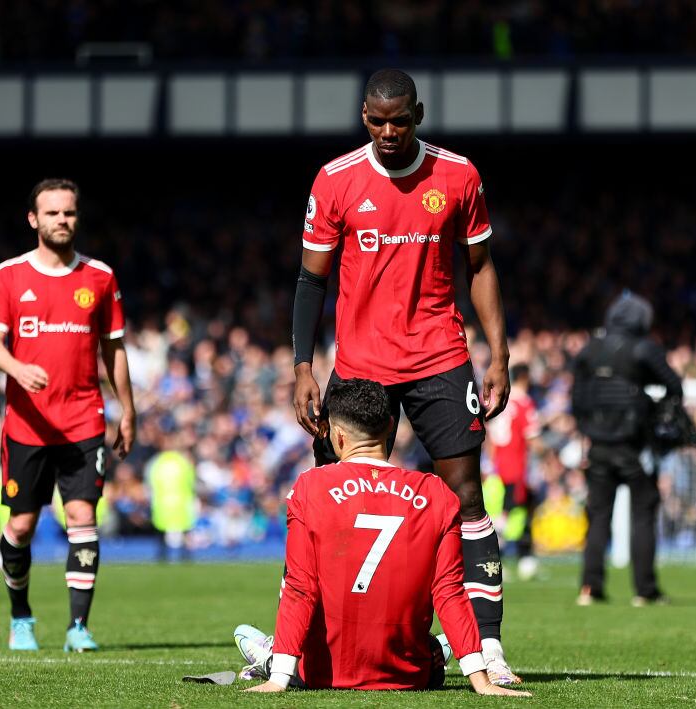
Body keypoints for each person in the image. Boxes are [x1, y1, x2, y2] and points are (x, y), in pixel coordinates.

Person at [291, 68, 517, 684]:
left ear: (418, 113)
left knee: (466, 498)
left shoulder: (458, 174)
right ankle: (319, 643)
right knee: (329, 502)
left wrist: (498, 354)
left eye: (400, 120)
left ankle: (488, 648)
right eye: (376, 121)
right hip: (360, 366)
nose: (388, 132)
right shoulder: (335, 180)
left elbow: (480, 265)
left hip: (439, 357)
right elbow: (312, 279)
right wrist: (303, 365)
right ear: (363, 117)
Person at [238, 378, 529, 697]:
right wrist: (481, 680)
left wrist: (279, 679)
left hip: (324, 672)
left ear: (338, 435)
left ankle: (271, 658)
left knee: (252, 632)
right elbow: (449, 591)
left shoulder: (311, 486)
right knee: (430, 644)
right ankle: (447, 652)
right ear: (391, 426)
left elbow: (299, 586)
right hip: (408, 673)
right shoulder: (435, 493)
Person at [0, 178, 136, 651]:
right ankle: (21, 617)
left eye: (68, 213)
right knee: (22, 527)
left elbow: (115, 349)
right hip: (27, 424)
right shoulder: (8, 276)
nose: (61, 221)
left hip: (84, 420)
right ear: (34, 220)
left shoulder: (100, 277)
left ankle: (78, 628)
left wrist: (127, 410)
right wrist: (17, 368)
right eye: (52, 213)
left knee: (81, 517)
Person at [571, 292, 683, 606]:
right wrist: (648, 403)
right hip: (634, 445)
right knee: (644, 514)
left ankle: (590, 588)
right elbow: (674, 385)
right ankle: (644, 590)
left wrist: (588, 426)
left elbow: (576, 397)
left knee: (598, 516)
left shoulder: (591, 349)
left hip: (598, 446)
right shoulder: (642, 349)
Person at [486, 364, 542, 581]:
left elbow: (491, 436)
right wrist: (549, 453)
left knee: (505, 513)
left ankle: (521, 557)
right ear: (526, 378)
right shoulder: (524, 403)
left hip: (496, 468)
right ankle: (496, 559)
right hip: (515, 467)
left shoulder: (499, 399)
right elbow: (533, 439)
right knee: (511, 515)